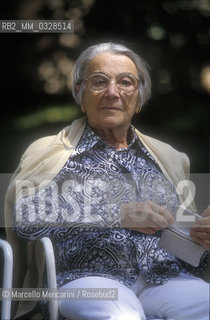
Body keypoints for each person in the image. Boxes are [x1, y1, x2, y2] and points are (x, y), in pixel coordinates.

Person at [5, 42, 210, 320]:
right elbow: (24, 220)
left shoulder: (168, 158)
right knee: (121, 315)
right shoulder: (53, 153)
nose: (113, 93)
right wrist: (114, 213)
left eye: (126, 83)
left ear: (138, 100)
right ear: (81, 94)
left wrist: (202, 239)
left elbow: (188, 250)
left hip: (165, 279)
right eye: (99, 82)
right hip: (87, 279)